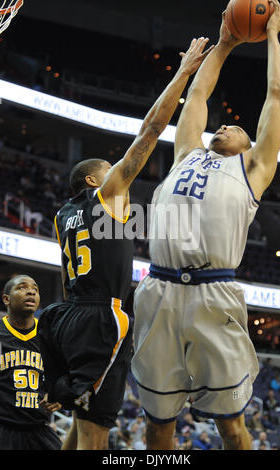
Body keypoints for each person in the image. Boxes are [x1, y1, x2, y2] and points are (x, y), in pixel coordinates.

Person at [36, 38, 214, 451]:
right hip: (101, 319)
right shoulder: (107, 195)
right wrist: (184, 72)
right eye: (109, 167)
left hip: (64, 317)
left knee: (79, 425)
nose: (120, 173)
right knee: (95, 435)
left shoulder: (64, 215)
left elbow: (67, 278)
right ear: (96, 181)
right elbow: (152, 128)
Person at [131, 0, 280, 450]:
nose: (225, 127)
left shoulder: (254, 168)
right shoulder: (186, 153)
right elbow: (197, 97)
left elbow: (277, 96)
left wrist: (273, 35)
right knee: (158, 423)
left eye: (236, 128)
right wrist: (223, 44)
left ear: (250, 145)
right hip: (158, 289)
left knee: (230, 425)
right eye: (222, 125)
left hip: (213, 292)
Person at [0, 275, 62, 450]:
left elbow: (61, 377)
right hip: (2, 429)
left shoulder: (49, 336)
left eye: (35, 289)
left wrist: (58, 395)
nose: (31, 291)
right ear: (6, 299)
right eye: (22, 287)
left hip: (38, 428)